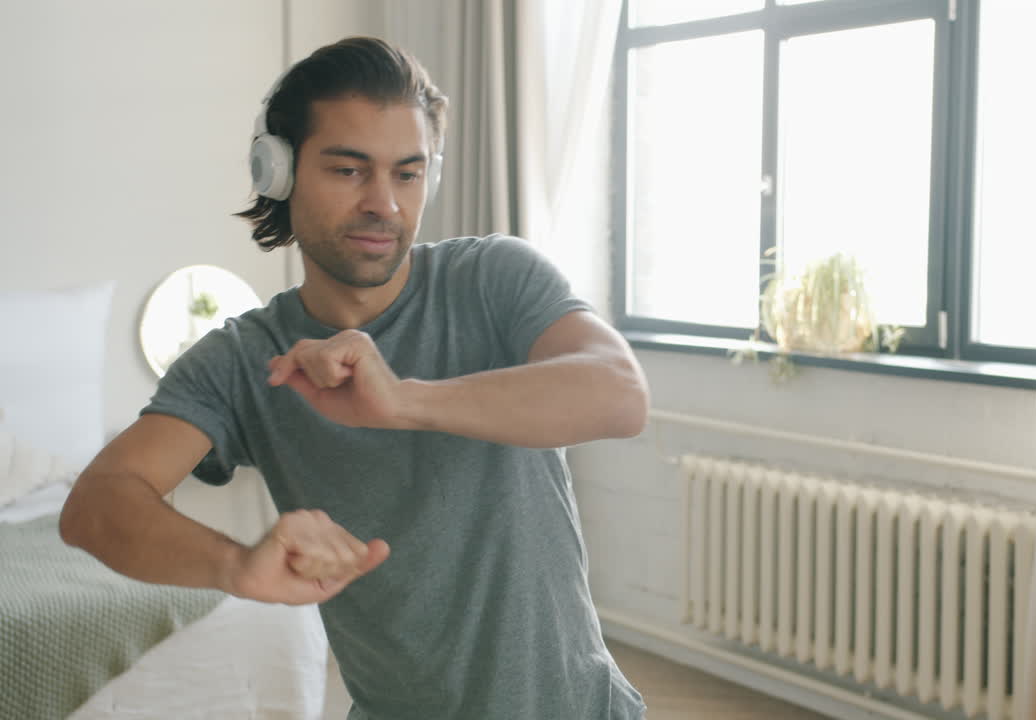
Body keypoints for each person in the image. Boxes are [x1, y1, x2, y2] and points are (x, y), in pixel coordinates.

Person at [59, 36, 650, 720]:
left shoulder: (493, 278)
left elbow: (620, 393)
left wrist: (403, 401)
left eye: (408, 173)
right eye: (348, 170)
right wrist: (235, 565)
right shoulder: (246, 359)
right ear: (278, 172)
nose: (385, 204)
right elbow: (96, 504)